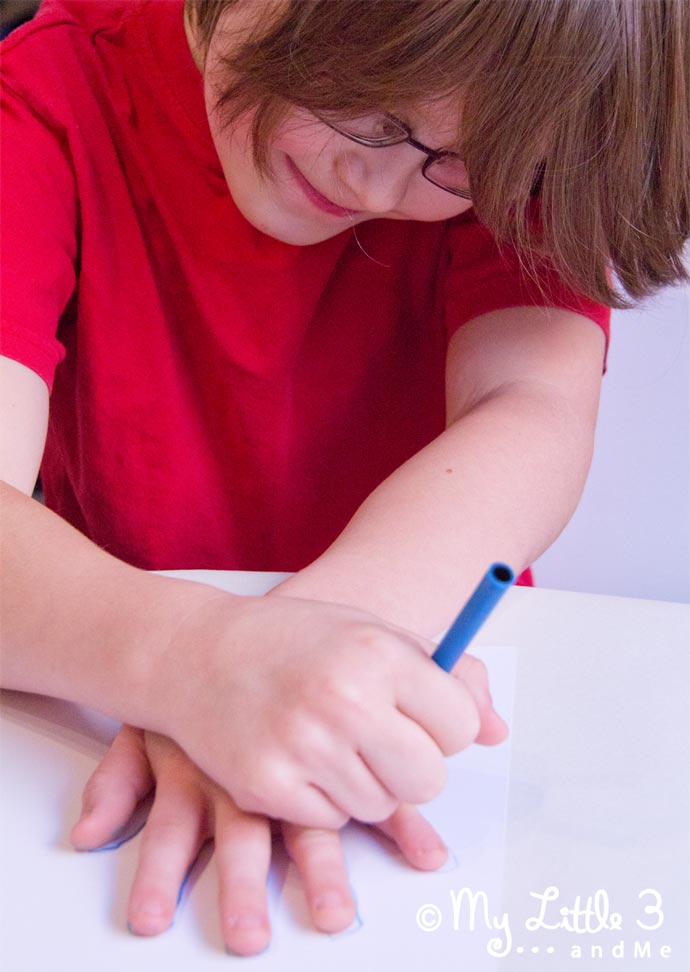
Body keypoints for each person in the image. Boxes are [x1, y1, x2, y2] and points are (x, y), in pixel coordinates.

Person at [1, 0, 687, 957]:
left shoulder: (514, 115)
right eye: (364, 111)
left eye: (456, 165)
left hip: (420, 708)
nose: (375, 180)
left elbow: (531, 410)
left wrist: (307, 659)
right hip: (110, 700)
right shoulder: (47, 98)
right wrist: (197, 665)